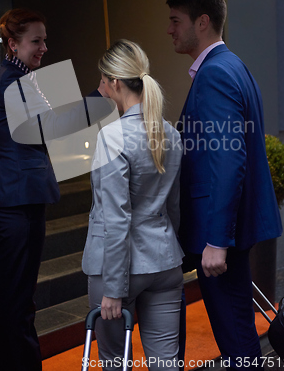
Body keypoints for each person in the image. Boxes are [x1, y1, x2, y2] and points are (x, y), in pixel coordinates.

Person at [0, 8, 112, 371]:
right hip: (16, 200)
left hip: (18, 195)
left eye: (44, 40)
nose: (44, 48)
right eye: (36, 41)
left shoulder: (19, 78)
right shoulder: (11, 83)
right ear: (13, 43)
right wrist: (98, 96)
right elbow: (51, 127)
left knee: (13, 297)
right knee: (16, 300)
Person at [166, 0, 282, 370]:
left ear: (202, 22)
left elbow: (228, 160)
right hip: (228, 229)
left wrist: (217, 239)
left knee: (236, 339)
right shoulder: (234, 66)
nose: (170, 30)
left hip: (219, 236)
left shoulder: (215, 74)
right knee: (238, 335)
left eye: (175, 21)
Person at [82, 40, 184, 371]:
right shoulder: (171, 133)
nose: (99, 88)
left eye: (101, 80)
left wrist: (113, 289)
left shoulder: (112, 136)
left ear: (115, 83)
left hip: (117, 272)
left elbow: (116, 219)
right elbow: (173, 207)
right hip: (164, 260)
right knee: (166, 362)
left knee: (114, 362)